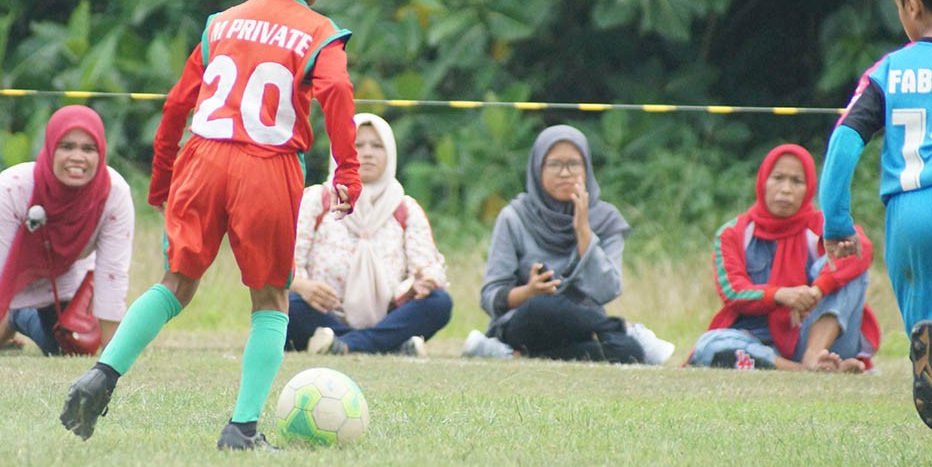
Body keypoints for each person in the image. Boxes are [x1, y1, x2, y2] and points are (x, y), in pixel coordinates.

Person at [60, 0, 362, 451]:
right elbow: (338, 90)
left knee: (175, 284)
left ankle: (103, 373)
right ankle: (242, 429)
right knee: (271, 300)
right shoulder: (319, 31)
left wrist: (163, 177)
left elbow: (177, 104)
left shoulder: (220, 23)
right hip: (267, 167)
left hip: (201, 156)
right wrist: (347, 172)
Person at [819, 0, 932, 429]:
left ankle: (930, 350)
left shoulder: (889, 71)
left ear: (910, 6)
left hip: (912, 210)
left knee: (926, 315)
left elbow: (845, 143)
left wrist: (836, 220)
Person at [0, 105, 134, 356]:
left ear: (101, 152)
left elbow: (112, 278)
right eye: (66, 147)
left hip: (59, 266)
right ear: (51, 148)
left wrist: (112, 364)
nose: (77, 157)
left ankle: (16, 317)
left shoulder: (114, 194)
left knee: (68, 350)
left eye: (88, 148)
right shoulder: (15, 186)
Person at [475, 124, 673, 365]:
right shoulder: (514, 217)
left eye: (574, 164)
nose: (565, 173)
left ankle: (511, 355)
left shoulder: (606, 218)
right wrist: (529, 292)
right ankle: (623, 328)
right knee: (541, 307)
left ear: (587, 168)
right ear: (538, 168)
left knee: (628, 351)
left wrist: (583, 232)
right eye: (555, 164)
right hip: (528, 322)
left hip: (583, 325)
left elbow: (607, 290)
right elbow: (490, 296)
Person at [687, 144, 879, 372]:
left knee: (846, 264)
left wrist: (817, 290)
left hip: (820, 340)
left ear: (809, 188)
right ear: (762, 182)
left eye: (797, 181)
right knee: (709, 346)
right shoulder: (733, 233)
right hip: (760, 343)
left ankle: (814, 356)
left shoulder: (822, 227)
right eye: (778, 178)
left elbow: (862, 248)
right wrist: (780, 295)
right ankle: (802, 370)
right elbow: (733, 291)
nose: (786, 189)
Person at [288, 113, 452, 357]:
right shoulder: (317, 199)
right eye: (356, 145)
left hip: (388, 314)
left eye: (377, 146)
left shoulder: (404, 208)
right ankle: (389, 344)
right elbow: (288, 262)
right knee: (288, 306)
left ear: (390, 154)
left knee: (439, 303)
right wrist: (303, 287)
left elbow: (428, 267)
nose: (367, 153)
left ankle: (345, 344)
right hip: (322, 313)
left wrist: (417, 286)